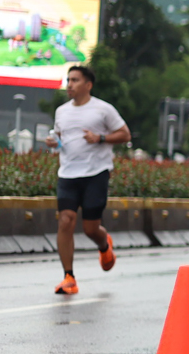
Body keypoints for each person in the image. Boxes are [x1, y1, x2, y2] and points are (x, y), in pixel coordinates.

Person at [46, 64, 128, 296]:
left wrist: (100, 138)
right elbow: (61, 139)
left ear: (88, 85)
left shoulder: (103, 109)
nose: (69, 84)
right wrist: (54, 143)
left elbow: (125, 134)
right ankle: (68, 277)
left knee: (90, 228)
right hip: (68, 174)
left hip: (95, 174)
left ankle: (104, 244)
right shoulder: (62, 111)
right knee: (65, 221)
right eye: (68, 80)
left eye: (75, 80)